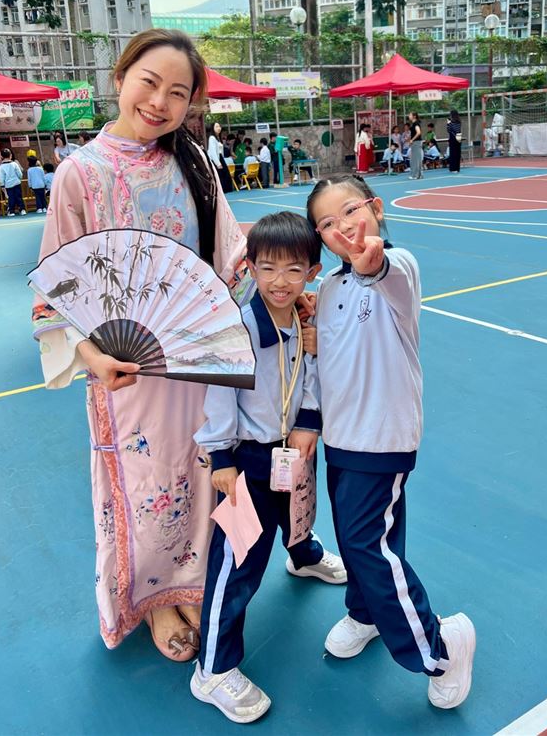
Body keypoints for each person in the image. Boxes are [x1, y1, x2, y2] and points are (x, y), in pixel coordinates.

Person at [32, 28, 250, 660]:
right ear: (121, 77)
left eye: (178, 93)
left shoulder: (195, 163)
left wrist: (282, 289)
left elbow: (228, 256)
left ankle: (198, 582)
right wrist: (93, 357)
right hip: (126, 372)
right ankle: (155, 599)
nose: (160, 102)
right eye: (149, 83)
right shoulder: (79, 174)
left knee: (208, 469)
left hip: (200, 361)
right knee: (150, 482)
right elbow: (56, 289)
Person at [306, 174, 476, 711]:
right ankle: (366, 613)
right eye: (326, 223)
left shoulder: (397, 268)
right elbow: (327, 360)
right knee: (365, 535)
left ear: (375, 208)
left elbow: (386, 272)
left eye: (349, 211)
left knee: (364, 544)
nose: (341, 228)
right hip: (341, 438)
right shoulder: (328, 289)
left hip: (381, 437)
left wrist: (372, 262)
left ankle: (441, 648)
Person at [191, 212, 346, 723]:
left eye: (294, 269)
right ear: (251, 268)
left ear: (313, 272)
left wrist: (309, 420)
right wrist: (221, 458)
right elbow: (219, 397)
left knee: (298, 514)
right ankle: (213, 668)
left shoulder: (303, 320)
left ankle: (303, 556)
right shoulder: (238, 329)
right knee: (236, 564)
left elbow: (311, 374)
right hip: (246, 460)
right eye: (268, 268)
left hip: (292, 448)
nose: (281, 281)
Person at [207, 123, 234, 194]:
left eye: (219, 126)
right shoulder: (212, 138)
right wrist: (218, 163)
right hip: (216, 159)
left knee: (225, 176)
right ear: (213, 128)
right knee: (220, 176)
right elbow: (213, 151)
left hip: (220, 158)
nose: (219, 128)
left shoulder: (217, 138)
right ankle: (219, 191)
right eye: (216, 126)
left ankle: (222, 191)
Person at [0, 149, 26, 215]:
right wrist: (19, 178)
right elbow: (20, 174)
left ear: (1, 156)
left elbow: (2, 177)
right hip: (16, 183)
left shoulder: (2, 166)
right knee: (19, 197)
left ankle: (12, 211)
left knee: (11, 198)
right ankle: (22, 209)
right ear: (10, 155)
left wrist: (2, 185)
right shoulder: (14, 164)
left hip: (8, 185)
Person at [408, 112, 423, 180]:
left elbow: (418, 132)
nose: (409, 116)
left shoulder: (416, 123)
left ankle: (416, 175)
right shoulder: (414, 123)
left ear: (414, 116)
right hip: (415, 142)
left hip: (417, 142)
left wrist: (412, 140)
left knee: (416, 159)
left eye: (410, 115)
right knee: (415, 159)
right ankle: (417, 174)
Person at [447, 109, 462, 173]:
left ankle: (453, 168)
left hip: (453, 138)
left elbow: (448, 130)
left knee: (453, 153)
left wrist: (448, 123)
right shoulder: (459, 121)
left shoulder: (451, 122)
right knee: (457, 153)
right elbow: (458, 130)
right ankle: (457, 168)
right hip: (459, 137)